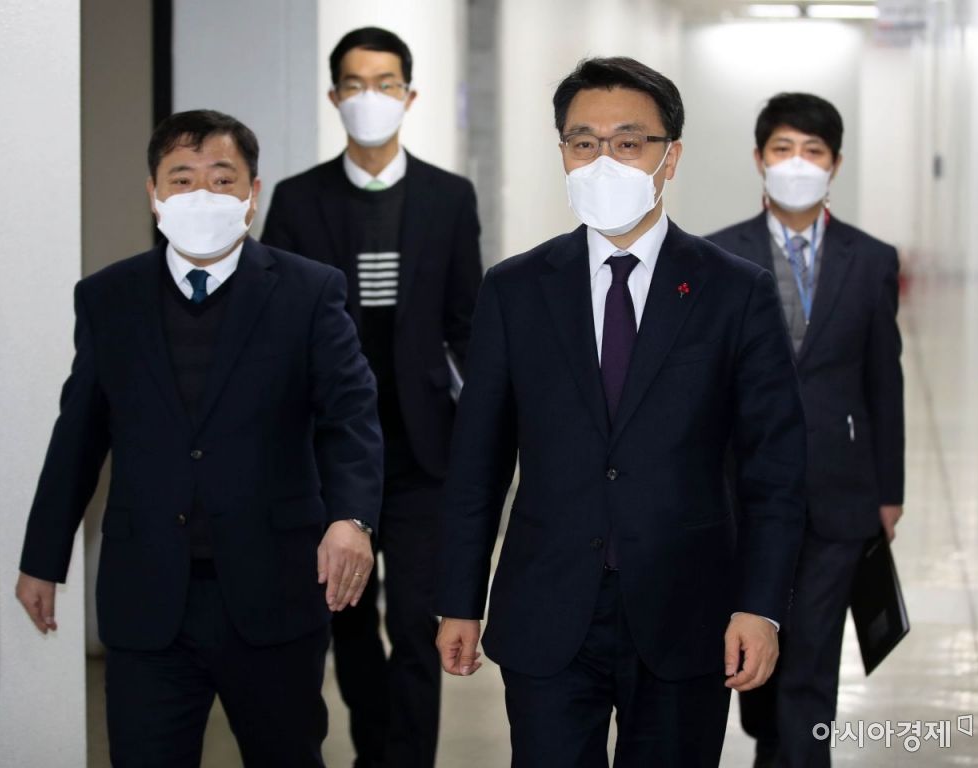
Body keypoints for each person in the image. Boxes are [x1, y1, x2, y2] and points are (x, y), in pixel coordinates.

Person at [435, 57, 807, 767]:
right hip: (548, 607)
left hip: (686, 608)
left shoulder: (735, 292)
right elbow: (478, 460)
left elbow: (775, 470)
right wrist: (459, 598)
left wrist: (760, 606)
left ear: (671, 157)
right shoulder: (516, 289)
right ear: (563, 153)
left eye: (628, 142)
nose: (603, 161)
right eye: (584, 143)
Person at [15, 109, 383, 767]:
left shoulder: (308, 291)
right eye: (181, 179)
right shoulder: (108, 297)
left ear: (252, 193)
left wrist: (351, 519)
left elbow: (350, 417)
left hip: (273, 590)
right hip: (148, 595)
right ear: (153, 192)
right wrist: (43, 557)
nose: (201, 195)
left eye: (221, 178)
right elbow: (79, 433)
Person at [262, 27, 482, 768]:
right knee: (348, 618)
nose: (371, 97)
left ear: (409, 96)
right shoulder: (298, 200)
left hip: (423, 451)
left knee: (419, 622)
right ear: (334, 96)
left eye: (386, 83)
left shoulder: (449, 197)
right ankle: (375, 749)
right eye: (355, 84)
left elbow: (466, 323)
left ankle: (406, 759)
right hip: (335, 454)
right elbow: (281, 328)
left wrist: (482, 426)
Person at [707, 92, 905, 768]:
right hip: (743, 490)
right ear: (759, 159)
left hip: (837, 491)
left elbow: (884, 382)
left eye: (813, 151)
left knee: (812, 662)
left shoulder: (871, 259)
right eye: (783, 149)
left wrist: (889, 491)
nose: (798, 163)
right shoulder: (716, 256)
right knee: (760, 661)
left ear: (835, 164)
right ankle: (774, 744)